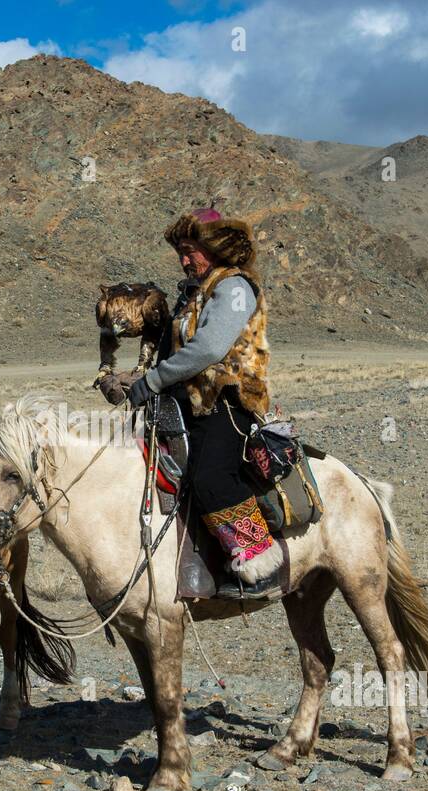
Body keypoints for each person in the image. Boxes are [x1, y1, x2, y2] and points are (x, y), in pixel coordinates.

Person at [127, 209, 279, 598]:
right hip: (190, 404)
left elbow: (209, 348)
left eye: (190, 250)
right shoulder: (195, 293)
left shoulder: (234, 289)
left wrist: (153, 381)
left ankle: (259, 561)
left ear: (212, 248)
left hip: (227, 404)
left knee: (210, 475)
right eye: (180, 252)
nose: (183, 260)